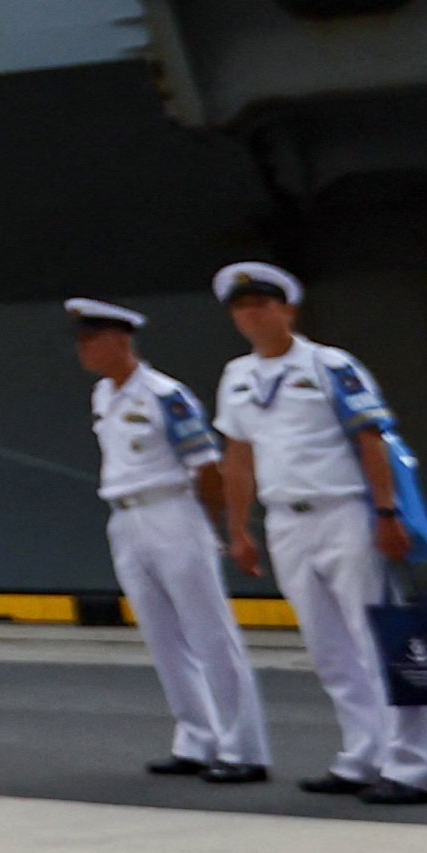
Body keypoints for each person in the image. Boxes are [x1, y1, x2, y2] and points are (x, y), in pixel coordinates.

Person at [212, 262, 427, 805]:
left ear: (287, 309)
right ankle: (362, 753)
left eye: (264, 302)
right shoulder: (236, 376)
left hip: (345, 513)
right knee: (328, 648)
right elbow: (238, 457)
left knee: (378, 640)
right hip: (286, 520)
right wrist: (239, 530)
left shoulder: (329, 364)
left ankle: (410, 766)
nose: (254, 312)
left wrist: (386, 515)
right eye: (243, 306)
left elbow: (372, 441)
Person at [67, 297, 268, 785]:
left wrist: (207, 526)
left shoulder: (164, 395)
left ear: (119, 339)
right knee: (162, 635)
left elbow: (206, 465)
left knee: (209, 631)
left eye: (92, 338)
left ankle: (244, 748)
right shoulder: (103, 396)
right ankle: (197, 738)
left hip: (172, 512)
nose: (83, 349)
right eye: (81, 340)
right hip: (126, 517)